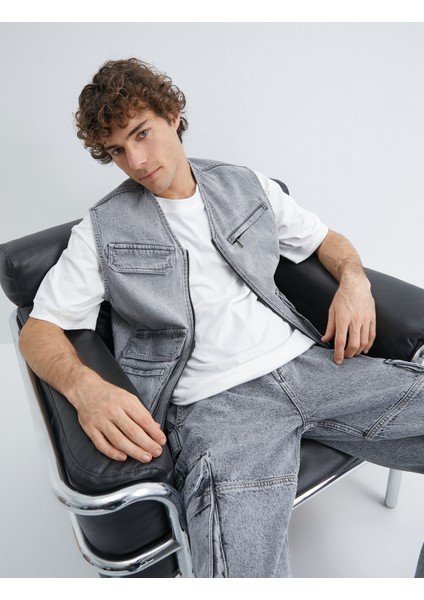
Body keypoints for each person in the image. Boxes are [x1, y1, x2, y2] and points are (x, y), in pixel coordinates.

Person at [19, 58, 424, 578]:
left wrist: (354, 282)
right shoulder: (102, 230)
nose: (136, 161)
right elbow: (38, 330)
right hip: (218, 409)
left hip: (317, 367)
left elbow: (327, 240)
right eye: (117, 150)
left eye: (141, 133)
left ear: (172, 115)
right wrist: (86, 389)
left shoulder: (244, 184)